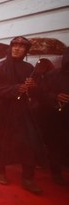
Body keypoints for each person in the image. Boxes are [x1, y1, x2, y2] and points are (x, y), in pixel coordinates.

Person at [0, 36, 44, 194]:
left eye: (21, 47)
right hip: (4, 112)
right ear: (10, 48)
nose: (17, 49)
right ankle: (1, 171)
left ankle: (27, 178)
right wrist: (15, 89)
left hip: (24, 112)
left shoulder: (29, 68)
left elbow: (38, 92)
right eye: (15, 45)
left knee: (29, 143)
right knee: (3, 143)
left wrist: (33, 86)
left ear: (26, 50)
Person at [38, 48, 69, 185]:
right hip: (55, 118)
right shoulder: (52, 75)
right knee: (55, 146)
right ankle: (56, 173)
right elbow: (41, 94)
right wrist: (55, 97)